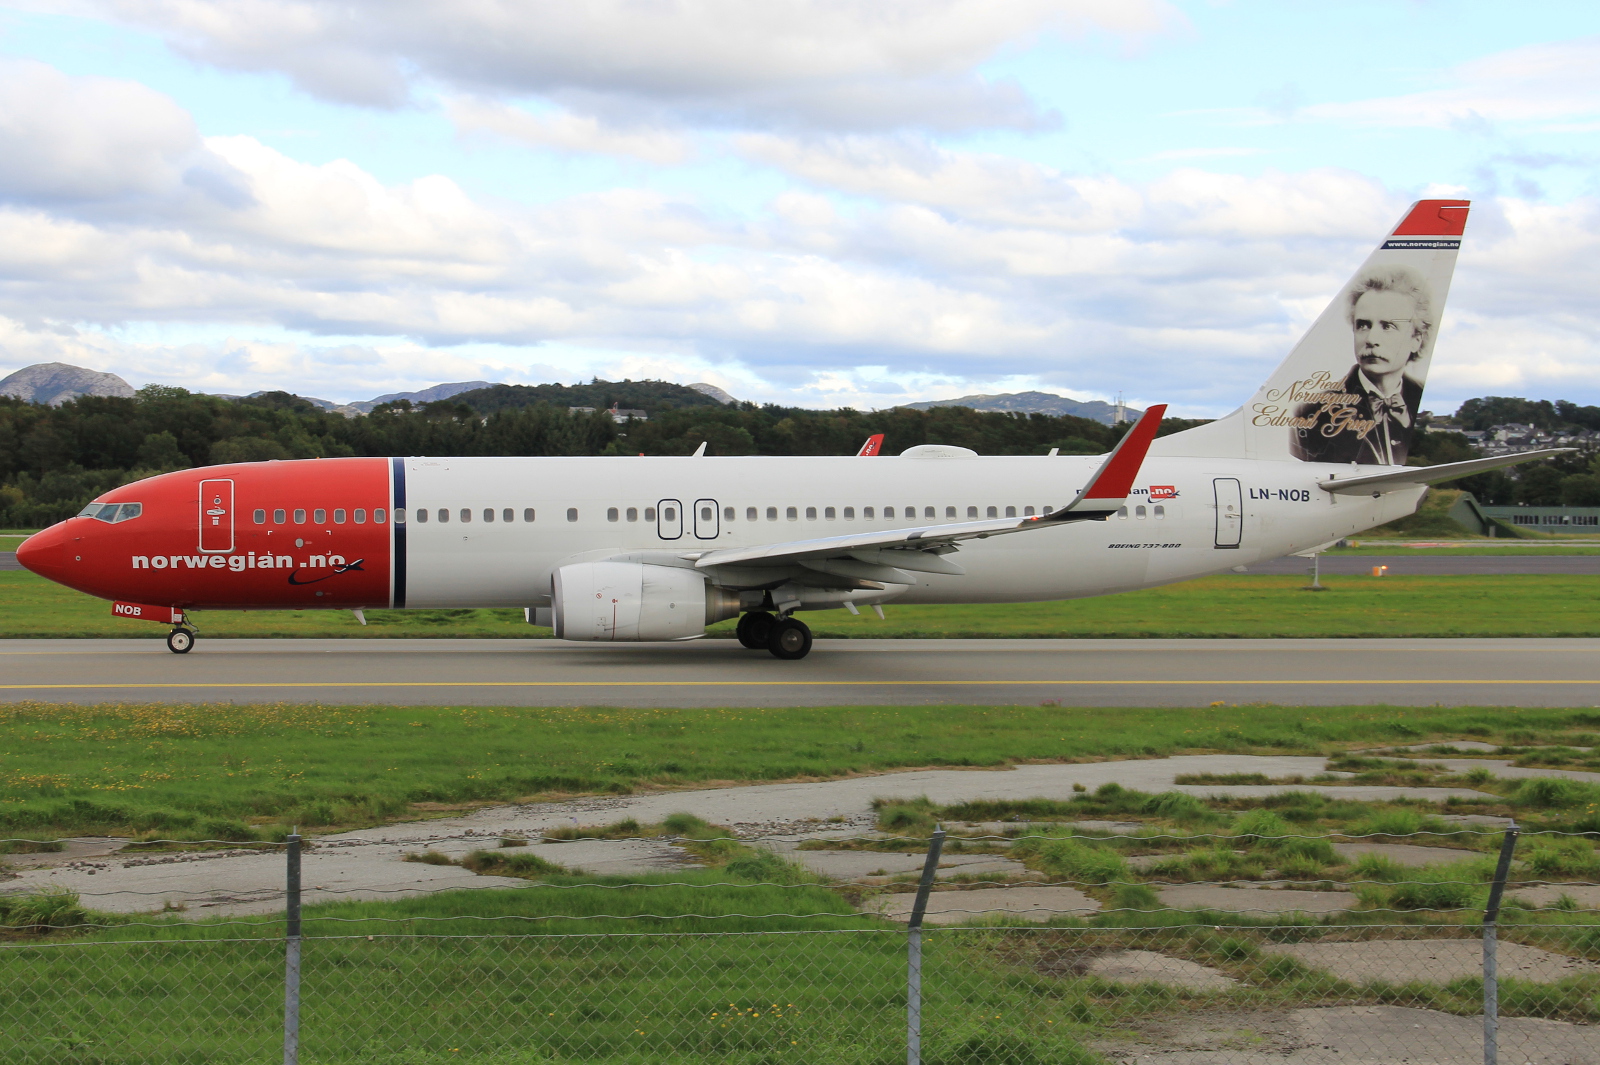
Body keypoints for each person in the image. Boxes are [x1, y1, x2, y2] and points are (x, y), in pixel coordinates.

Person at [1291, 264, 1432, 465]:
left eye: (1388, 326)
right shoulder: (1311, 412)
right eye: (1363, 325)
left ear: (1416, 339)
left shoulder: (1415, 394)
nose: (1371, 339)